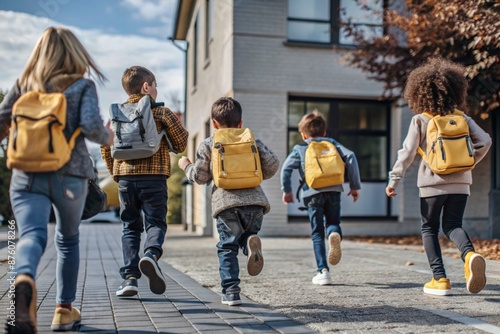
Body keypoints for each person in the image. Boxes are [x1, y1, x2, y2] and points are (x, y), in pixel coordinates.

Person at [0, 27, 114, 333]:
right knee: (67, 239)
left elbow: (2, 119)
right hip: (70, 174)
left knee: (30, 236)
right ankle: (64, 311)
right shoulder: (82, 85)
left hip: (26, 174)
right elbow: (92, 128)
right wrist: (109, 136)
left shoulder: (24, 84)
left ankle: (24, 279)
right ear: (76, 54)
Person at [385, 58, 492, 296]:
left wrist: (394, 181)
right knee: (453, 225)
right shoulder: (462, 118)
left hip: (432, 185)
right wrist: (468, 163)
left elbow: (407, 153)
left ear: (419, 93)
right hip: (461, 184)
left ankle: (440, 280)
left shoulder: (421, 120)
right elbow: (485, 141)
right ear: (454, 91)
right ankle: (470, 254)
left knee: (429, 229)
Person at [178, 97, 279, 306]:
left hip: (226, 205)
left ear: (214, 123)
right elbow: (272, 165)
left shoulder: (209, 143)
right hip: (255, 204)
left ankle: (231, 292)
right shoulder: (251, 140)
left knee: (227, 247)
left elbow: (200, 177)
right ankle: (250, 241)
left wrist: (186, 165)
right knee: (245, 234)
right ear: (240, 122)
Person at [101, 66, 188, 298]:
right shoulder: (160, 112)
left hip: (126, 180)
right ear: (146, 87)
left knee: (130, 226)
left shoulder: (116, 113)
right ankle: (151, 255)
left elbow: (105, 145)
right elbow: (181, 144)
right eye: (155, 85)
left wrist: (116, 173)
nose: (156, 89)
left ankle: (130, 279)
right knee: (156, 223)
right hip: (154, 178)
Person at [281, 110, 361, 286]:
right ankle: (334, 233)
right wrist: (354, 186)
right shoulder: (331, 143)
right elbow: (351, 157)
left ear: (303, 135)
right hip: (334, 191)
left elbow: (286, 169)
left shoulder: (300, 148)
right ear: (324, 133)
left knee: (317, 233)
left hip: (312, 193)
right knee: (333, 223)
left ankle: (323, 271)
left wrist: (287, 191)